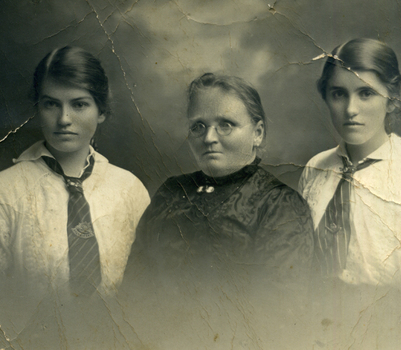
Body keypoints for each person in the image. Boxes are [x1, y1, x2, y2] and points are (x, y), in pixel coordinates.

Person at [0, 46, 150, 345]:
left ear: (102, 111)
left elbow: (146, 292)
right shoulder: (1, 194)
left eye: (79, 105)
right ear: (38, 108)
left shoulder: (129, 189)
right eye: (51, 104)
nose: (64, 118)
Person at [121, 73, 314, 348]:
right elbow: (133, 290)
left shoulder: (280, 205)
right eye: (198, 126)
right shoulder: (171, 192)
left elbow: (280, 313)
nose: (209, 138)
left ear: (257, 133)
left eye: (226, 125)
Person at [298, 38, 401, 348]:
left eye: (366, 94)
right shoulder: (316, 168)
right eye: (338, 94)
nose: (351, 109)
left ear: (392, 99)